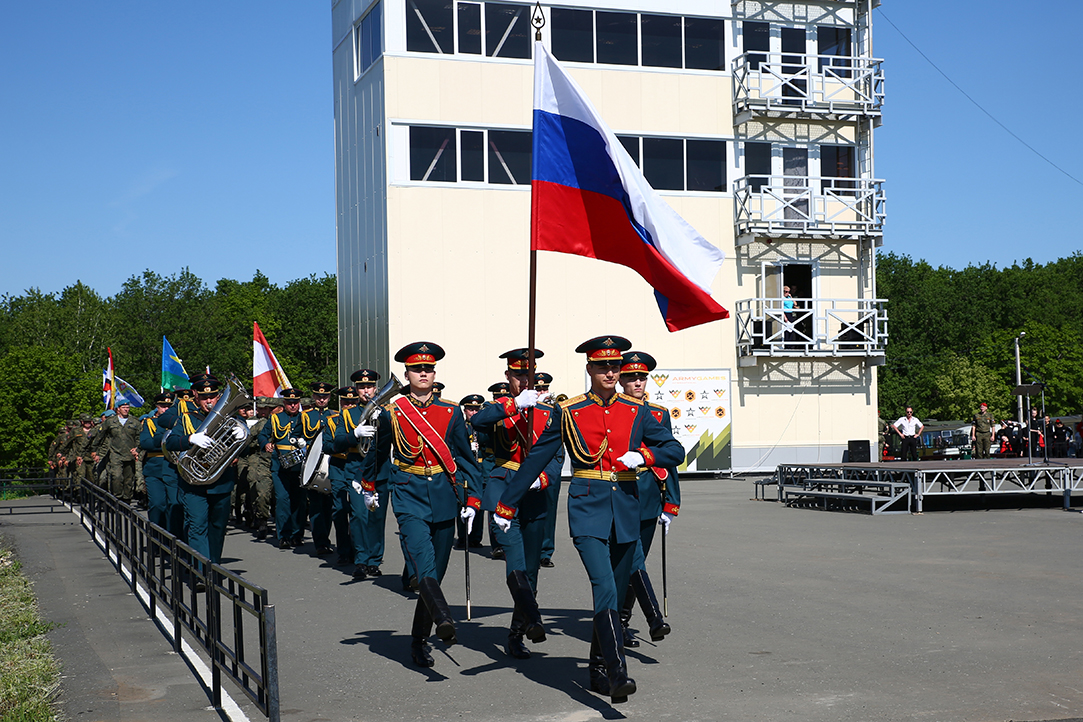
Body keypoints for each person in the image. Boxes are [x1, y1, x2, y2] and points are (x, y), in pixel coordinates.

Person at [495, 336, 684, 703]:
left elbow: (674, 450)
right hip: (587, 509)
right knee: (606, 588)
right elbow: (535, 459)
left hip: (626, 510)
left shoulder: (637, 410)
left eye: (615, 367)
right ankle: (617, 674)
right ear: (590, 369)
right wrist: (507, 504)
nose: (610, 372)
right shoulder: (570, 411)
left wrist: (644, 456)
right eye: (602, 367)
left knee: (612, 590)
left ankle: (597, 666)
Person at [357, 342, 481, 668]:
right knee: (423, 564)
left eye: (428, 369)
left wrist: (472, 500)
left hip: (443, 495)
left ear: (434, 373)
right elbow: (378, 454)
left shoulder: (451, 411)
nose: (423, 373)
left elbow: (466, 459)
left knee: (435, 574)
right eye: (416, 369)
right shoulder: (393, 413)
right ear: (407, 374)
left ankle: (418, 639)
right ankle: (443, 618)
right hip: (408, 493)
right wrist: (369, 486)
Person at [464, 348, 564, 660]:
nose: (524, 380)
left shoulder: (549, 414)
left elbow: (556, 457)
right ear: (508, 377)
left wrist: (541, 479)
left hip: (535, 496)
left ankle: (517, 632)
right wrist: (513, 406)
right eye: (518, 375)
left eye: (529, 375)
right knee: (516, 563)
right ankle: (533, 619)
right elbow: (477, 421)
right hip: (504, 491)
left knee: (532, 569)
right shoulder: (499, 409)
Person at [617, 351, 678, 648]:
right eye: (631, 378)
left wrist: (671, 503)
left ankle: (624, 620)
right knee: (629, 559)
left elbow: (669, 459)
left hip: (650, 496)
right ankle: (626, 619)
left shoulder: (658, 413)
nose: (638, 382)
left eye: (642, 377)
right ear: (621, 381)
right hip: (622, 493)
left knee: (637, 560)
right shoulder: (616, 410)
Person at [164, 375, 241, 580]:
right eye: (205, 397)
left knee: (218, 527)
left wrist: (238, 444)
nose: (209, 401)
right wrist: (190, 438)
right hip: (193, 484)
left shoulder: (231, 418)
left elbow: (247, 442)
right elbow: (170, 442)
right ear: (196, 396)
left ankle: (213, 567)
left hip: (221, 482)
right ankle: (201, 573)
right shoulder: (187, 418)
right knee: (197, 525)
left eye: (214, 396)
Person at [340, 369, 387, 579]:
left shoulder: (386, 412)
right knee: (359, 516)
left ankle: (374, 560)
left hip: (380, 472)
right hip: (356, 472)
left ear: (376, 388)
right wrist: (354, 435)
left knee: (376, 517)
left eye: (369, 387)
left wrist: (384, 420)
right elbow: (333, 443)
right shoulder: (348, 414)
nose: (365, 390)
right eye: (361, 387)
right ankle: (360, 559)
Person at [259, 388, 307, 549]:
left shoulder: (304, 418)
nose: (292, 405)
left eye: (295, 403)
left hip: (299, 466)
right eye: (289, 402)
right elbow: (263, 434)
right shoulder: (275, 419)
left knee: (299, 501)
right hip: (280, 466)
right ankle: (284, 535)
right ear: (284, 403)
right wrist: (265, 443)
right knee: (282, 500)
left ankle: (297, 534)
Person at [301, 382, 337, 556]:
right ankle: (320, 542)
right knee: (315, 505)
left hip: (330, 464)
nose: (321, 399)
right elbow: (295, 434)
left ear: (329, 397)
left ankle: (326, 538)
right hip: (313, 464)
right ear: (314, 397)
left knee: (328, 506)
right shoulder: (305, 416)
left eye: (325, 396)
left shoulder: (336, 415)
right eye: (318, 396)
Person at [534, 372, 560, 568]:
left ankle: (545, 551)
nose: (542, 392)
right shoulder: (526, 410)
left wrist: (554, 470)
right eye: (538, 389)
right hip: (529, 469)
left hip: (549, 469)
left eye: (544, 388)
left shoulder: (554, 411)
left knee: (549, 511)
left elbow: (559, 449)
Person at [93, 400, 141, 502]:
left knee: (129, 479)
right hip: (115, 454)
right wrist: (95, 450)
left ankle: (127, 500)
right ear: (118, 409)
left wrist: (137, 449)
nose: (126, 409)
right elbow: (100, 436)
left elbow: (139, 437)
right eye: (124, 408)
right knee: (117, 477)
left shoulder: (134, 421)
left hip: (130, 454)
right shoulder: (110, 422)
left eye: (127, 407)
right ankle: (117, 498)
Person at [139, 393, 175, 529]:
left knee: (174, 505)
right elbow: (146, 443)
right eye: (162, 406)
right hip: (155, 469)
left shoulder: (178, 422)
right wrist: (170, 444)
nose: (166, 409)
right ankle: (155, 534)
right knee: (158, 504)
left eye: (169, 406)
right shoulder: (150, 423)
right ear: (157, 407)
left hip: (174, 468)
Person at [456, 394, 487, 550]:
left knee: (478, 502)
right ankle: (463, 537)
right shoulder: (461, 426)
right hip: (463, 468)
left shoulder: (483, 426)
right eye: (470, 409)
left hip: (480, 467)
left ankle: (476, 537)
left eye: (476, 409)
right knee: (462, 501)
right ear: (465, 410)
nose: (473, 412)